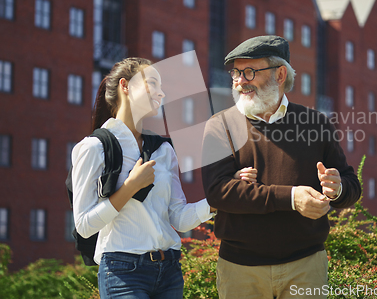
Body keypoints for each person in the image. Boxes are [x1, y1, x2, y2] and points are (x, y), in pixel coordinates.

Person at [201, 35, 362, 299]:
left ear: (280, 74)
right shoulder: (220, 126)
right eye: (236, 73)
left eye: (250, 72)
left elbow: (351, 185)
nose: (240, 81)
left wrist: (337, 188)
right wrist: (291, 198)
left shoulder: (316, 124)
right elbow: (218, 192)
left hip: (306, 266)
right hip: (240, 270)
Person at [71, 57, 216, 299]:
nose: (161, 93)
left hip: (169, 271)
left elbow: (177, 219)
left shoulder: (163, 149)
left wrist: (216, 202)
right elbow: (84, 226)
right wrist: (130, 187)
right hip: (123, 273)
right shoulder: (94, 148)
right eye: (152, 83)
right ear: (125, 86)